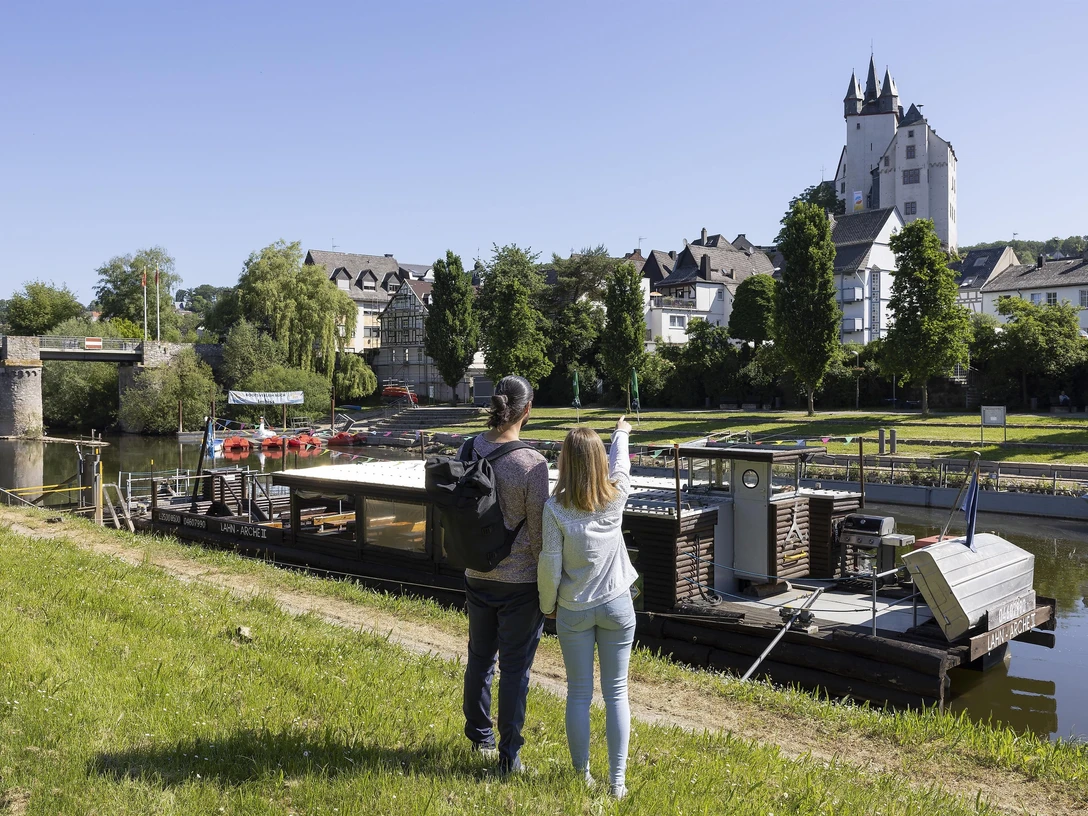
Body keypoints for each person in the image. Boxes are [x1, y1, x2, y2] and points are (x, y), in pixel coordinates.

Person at [538, 416, 638, 800]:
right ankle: (618, 783)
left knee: (579, 693)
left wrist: (547, 605)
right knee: (617, 693)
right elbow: (621, 464)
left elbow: (550, 564)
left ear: (564, 461)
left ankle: (582, 777)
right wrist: (621, 433)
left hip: (573, 610)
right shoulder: (617, 496)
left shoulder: (554, 509)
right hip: (617, 605)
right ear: (599, 461)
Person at [462, 375, 550, 775]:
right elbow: (540, 533)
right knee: (515, 670)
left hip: (476, 572)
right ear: (527, 410)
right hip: (520, 584)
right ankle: (509, 756)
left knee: (480, 658)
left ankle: (480, 738)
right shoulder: (533, 464)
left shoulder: (469, 448)